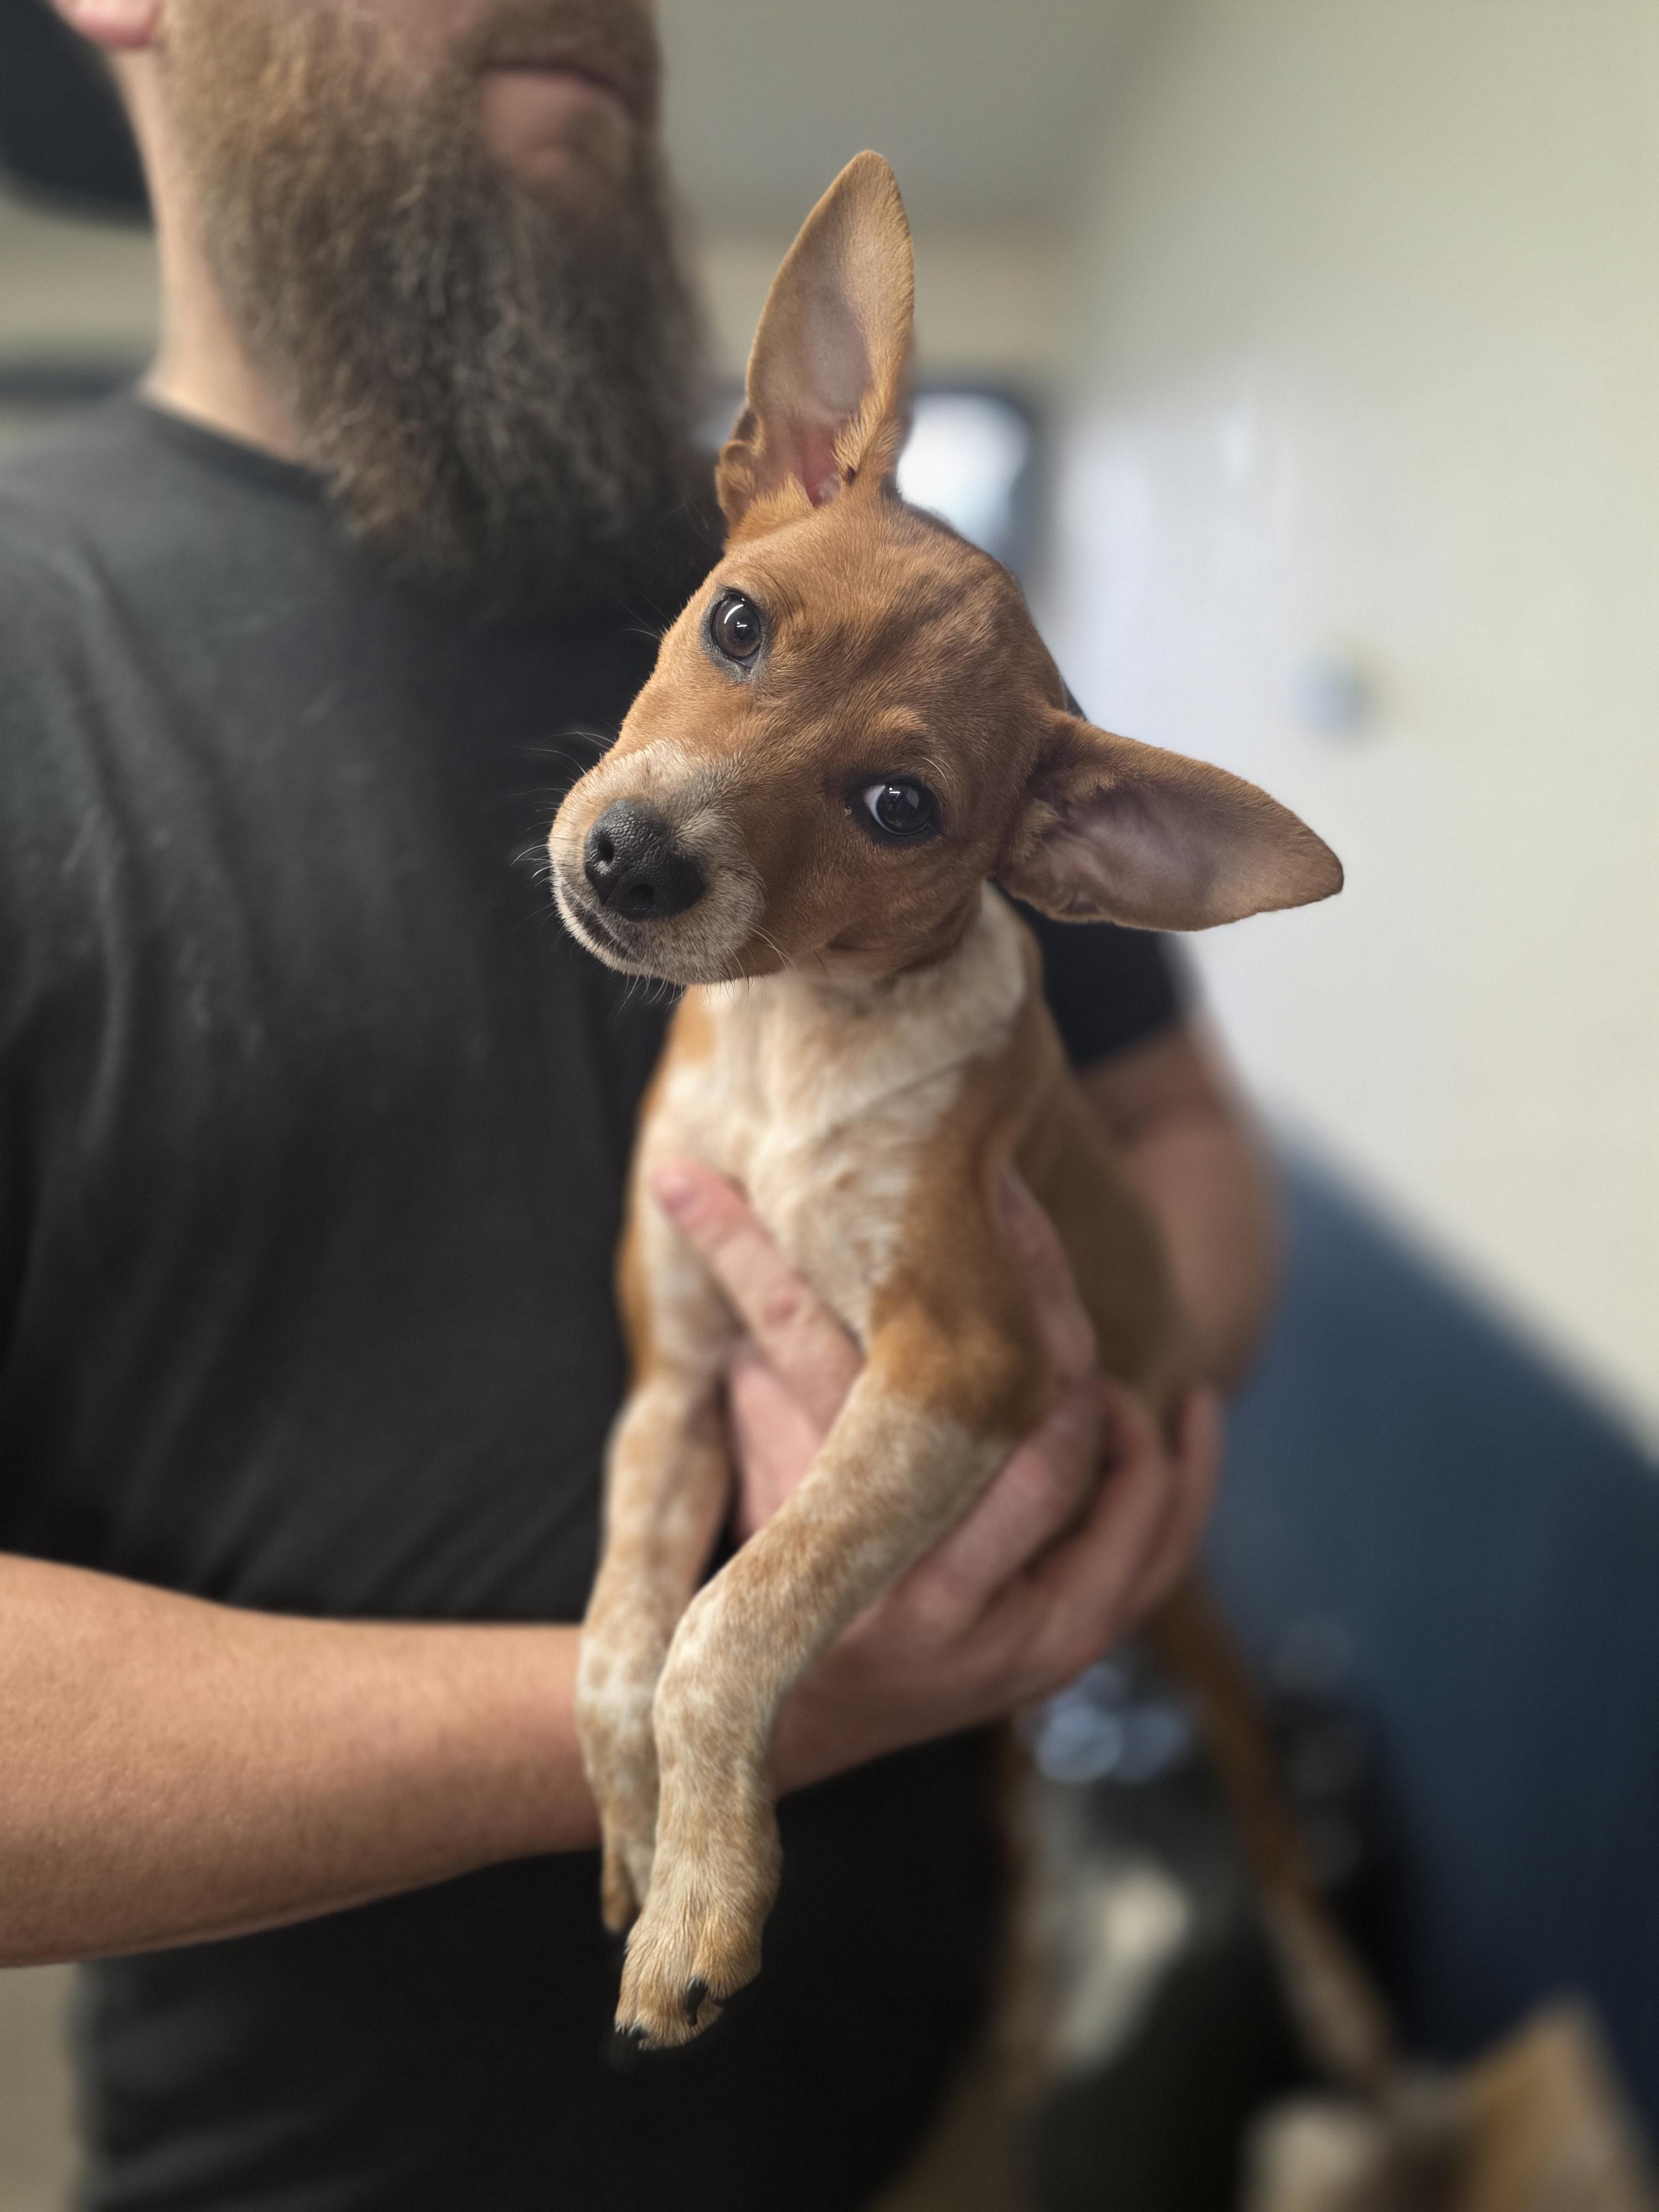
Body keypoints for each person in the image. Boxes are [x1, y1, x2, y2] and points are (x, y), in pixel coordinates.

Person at [0, 3, 1276, 2205]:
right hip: (314, 2157)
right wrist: (732, 1696)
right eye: (735, 640)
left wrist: (1087, 1437)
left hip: (933, 2090)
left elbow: (1176, 1153)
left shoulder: (902, 615)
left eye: (881, 803)